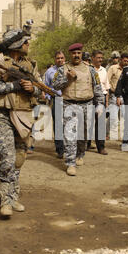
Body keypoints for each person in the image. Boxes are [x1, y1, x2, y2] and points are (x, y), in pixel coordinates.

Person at [0, 23, 42, 217]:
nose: (28, 44)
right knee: (7, 157)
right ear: (17, 43)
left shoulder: (30, 65)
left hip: (24, 114)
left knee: (19, 158)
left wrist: (31, 89)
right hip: (3, 115)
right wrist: (14, 86)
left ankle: (13, 196)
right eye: (25, 41)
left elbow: (41, 89)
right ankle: (5, 200)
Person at [53, 43, 105, 176]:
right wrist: (67, 79)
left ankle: (80, 153)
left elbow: (97, 87)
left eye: (78, 53)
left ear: (82, 54)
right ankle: (70, 163)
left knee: (84, 133)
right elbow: (56, 86)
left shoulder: (90, 69)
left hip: (86, 104)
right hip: (68, 104)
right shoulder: (63, 69)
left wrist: (100, 103)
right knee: (69, 134)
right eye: (74, 53)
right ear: (70, 54)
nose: (76, 55)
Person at [44, 51, 65, 159]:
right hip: (56, 99)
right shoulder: (49, 72)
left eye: (62, 58)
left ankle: (69, 146)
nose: (60, 60)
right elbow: (46, 86)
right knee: (57, 124)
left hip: (68, 99)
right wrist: (48, 98)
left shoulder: (69, 69)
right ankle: (60, 149)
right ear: (55, 59)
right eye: (58, 58)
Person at [90, 50, 109, 155]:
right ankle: (86, 144)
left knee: (100, 123)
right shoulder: (88, 70)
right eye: (98, 57)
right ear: (92, 58)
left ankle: (101, 147)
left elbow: (106, 87)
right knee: (87, 122)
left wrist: (106, 101)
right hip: (89, 98)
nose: (100, 59)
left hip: (101, 99)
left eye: (101, 57)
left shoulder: (104, 70)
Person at [107, 52, 128, 138]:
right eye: (125, 61)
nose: (126, 62)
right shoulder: (112, 68)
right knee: (113, 117)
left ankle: (126, 136)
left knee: (124, 116)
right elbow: (107, 81)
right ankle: (107, 133)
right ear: (120, 60)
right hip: (113, 95)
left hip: (125, 96)